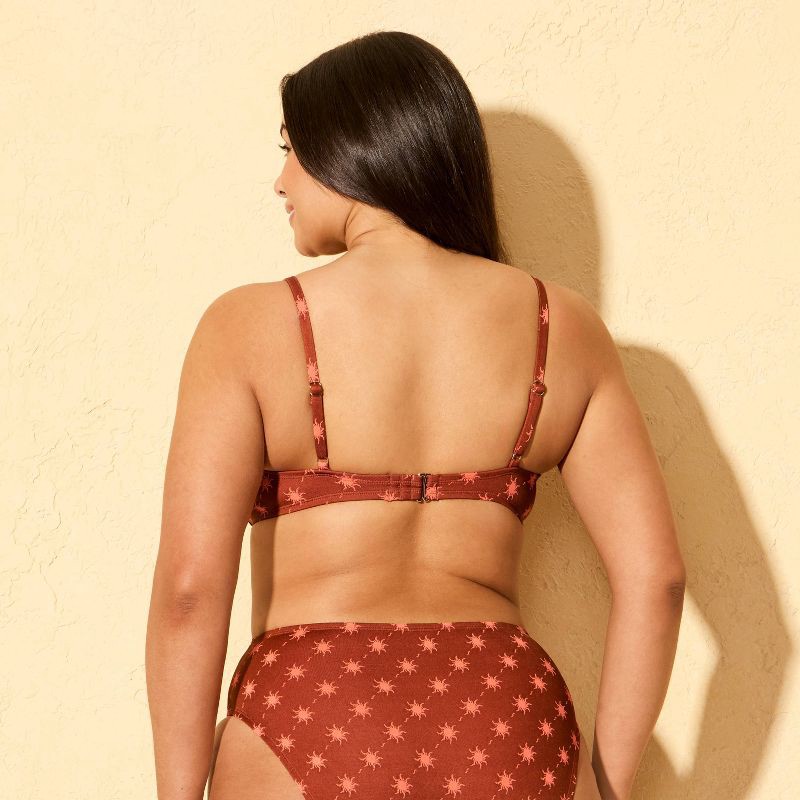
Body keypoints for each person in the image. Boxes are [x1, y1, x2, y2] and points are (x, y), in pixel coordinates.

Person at [145, 31, 685, 800]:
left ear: (351, 146)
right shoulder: (561, 327)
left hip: (314, 703)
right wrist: (609, 785)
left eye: (292, 149)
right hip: (503, 715)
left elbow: (189, 591)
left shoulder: (248, 327)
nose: (280, 180)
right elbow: (657, 580)